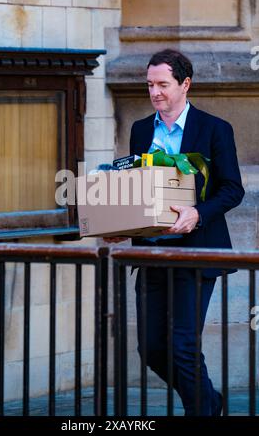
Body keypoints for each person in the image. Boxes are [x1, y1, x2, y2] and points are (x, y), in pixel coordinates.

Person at [107, 49, 245, 416]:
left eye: (163, 84)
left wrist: (197, 214)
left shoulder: (215, 129)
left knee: (183, 346)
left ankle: (201, 411)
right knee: (151, 350)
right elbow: (137, 192)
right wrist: (119, 225)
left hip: (195, 253)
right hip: (150, 255)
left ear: (185, 84)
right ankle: (209, 404)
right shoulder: (139, 130)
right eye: (150, 84)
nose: (155, 92)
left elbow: (233, 189)